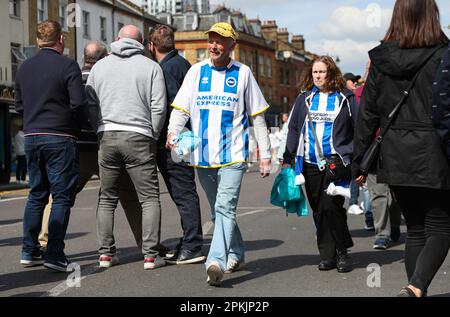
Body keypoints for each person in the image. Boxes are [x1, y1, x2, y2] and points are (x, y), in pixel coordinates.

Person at [353, 0, 450, 297]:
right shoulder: (444, 55)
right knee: (441, 227)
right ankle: (417, 286)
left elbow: (367, 112)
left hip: (394, 152)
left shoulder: (382, 59)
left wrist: (360, 161)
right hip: (435, 150)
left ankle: (414, 290)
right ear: (432, 15)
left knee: (417, 229)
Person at [166, 22, 272, 286]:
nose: (214, 46)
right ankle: (236, 251)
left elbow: (257, 117)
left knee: (225, 206)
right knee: (218, 209)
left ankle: (216, 261)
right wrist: (172, 132)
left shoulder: (244, 73)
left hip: (234, 154)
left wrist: (266, 153)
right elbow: (181, 109)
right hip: (202, 154)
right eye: (211, 40)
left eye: (220, 41)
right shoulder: (196, 72)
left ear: (231, 46)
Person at [37, 41, 149, 257]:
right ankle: (146, 244)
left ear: (83, 58)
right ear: (106, 56)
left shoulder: (73, 77)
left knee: (59, 195)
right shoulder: (109, 77)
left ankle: (44, 241)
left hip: (77, 148)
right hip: (104, 145)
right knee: (128, 196)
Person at [86, 25, 167, 270]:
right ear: (142, 43)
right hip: (140, 136)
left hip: (107, 136)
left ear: (117, 39)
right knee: (149, 198)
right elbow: (159, 107)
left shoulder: (99, 66)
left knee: (107, 198)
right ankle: (151, 255)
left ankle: (106, 254)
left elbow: (90, 103)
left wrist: (99, 127)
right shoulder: (151, 67)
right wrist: (151, 134)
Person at [15, 20, 86, 272]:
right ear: (61, 40)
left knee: (36, 194)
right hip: (60, 136)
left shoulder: (24, 68)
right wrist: (71, 126)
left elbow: (20, 106)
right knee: (61, 197)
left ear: (37, 41)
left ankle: (29, 250)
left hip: (32, 135)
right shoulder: (68, 65)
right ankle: (54, 253)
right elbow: (78, 103)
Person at [283, 56, 357, 273]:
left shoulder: (345, 98)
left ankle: (342, 252)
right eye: (315, 72)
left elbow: (359, 128)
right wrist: (288, 158)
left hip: (337, 163)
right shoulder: (305, 98)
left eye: (322, 72)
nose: (317, 76)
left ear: (331, 73)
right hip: (309, 163)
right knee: (318, 210)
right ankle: (327, 255)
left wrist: (357, 160)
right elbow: (294, 129)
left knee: (331, 207)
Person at [148, 25, 205, 265]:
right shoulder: (182, 65)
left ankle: (192, 245)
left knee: (182, 192)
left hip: (174, 141)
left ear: (152, 46)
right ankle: (189, 240)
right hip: (185, 139)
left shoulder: (166, 70)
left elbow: (170, 107)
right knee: (184, 192)